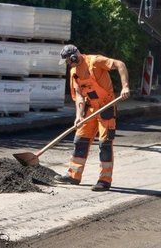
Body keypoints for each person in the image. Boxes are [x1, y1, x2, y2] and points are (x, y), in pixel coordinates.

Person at [55, 44, 131, 192]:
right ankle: (73, 176)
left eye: (68, 61)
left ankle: (104, 180)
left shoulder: (95, 61)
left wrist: (125, 86)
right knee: (80, 140)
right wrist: (78, 116)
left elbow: (120, 64)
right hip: (90, 109)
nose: (67, 64)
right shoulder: (74, 73)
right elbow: (78, 96)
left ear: (74, 57)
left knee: (105, 144)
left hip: (106, 107)